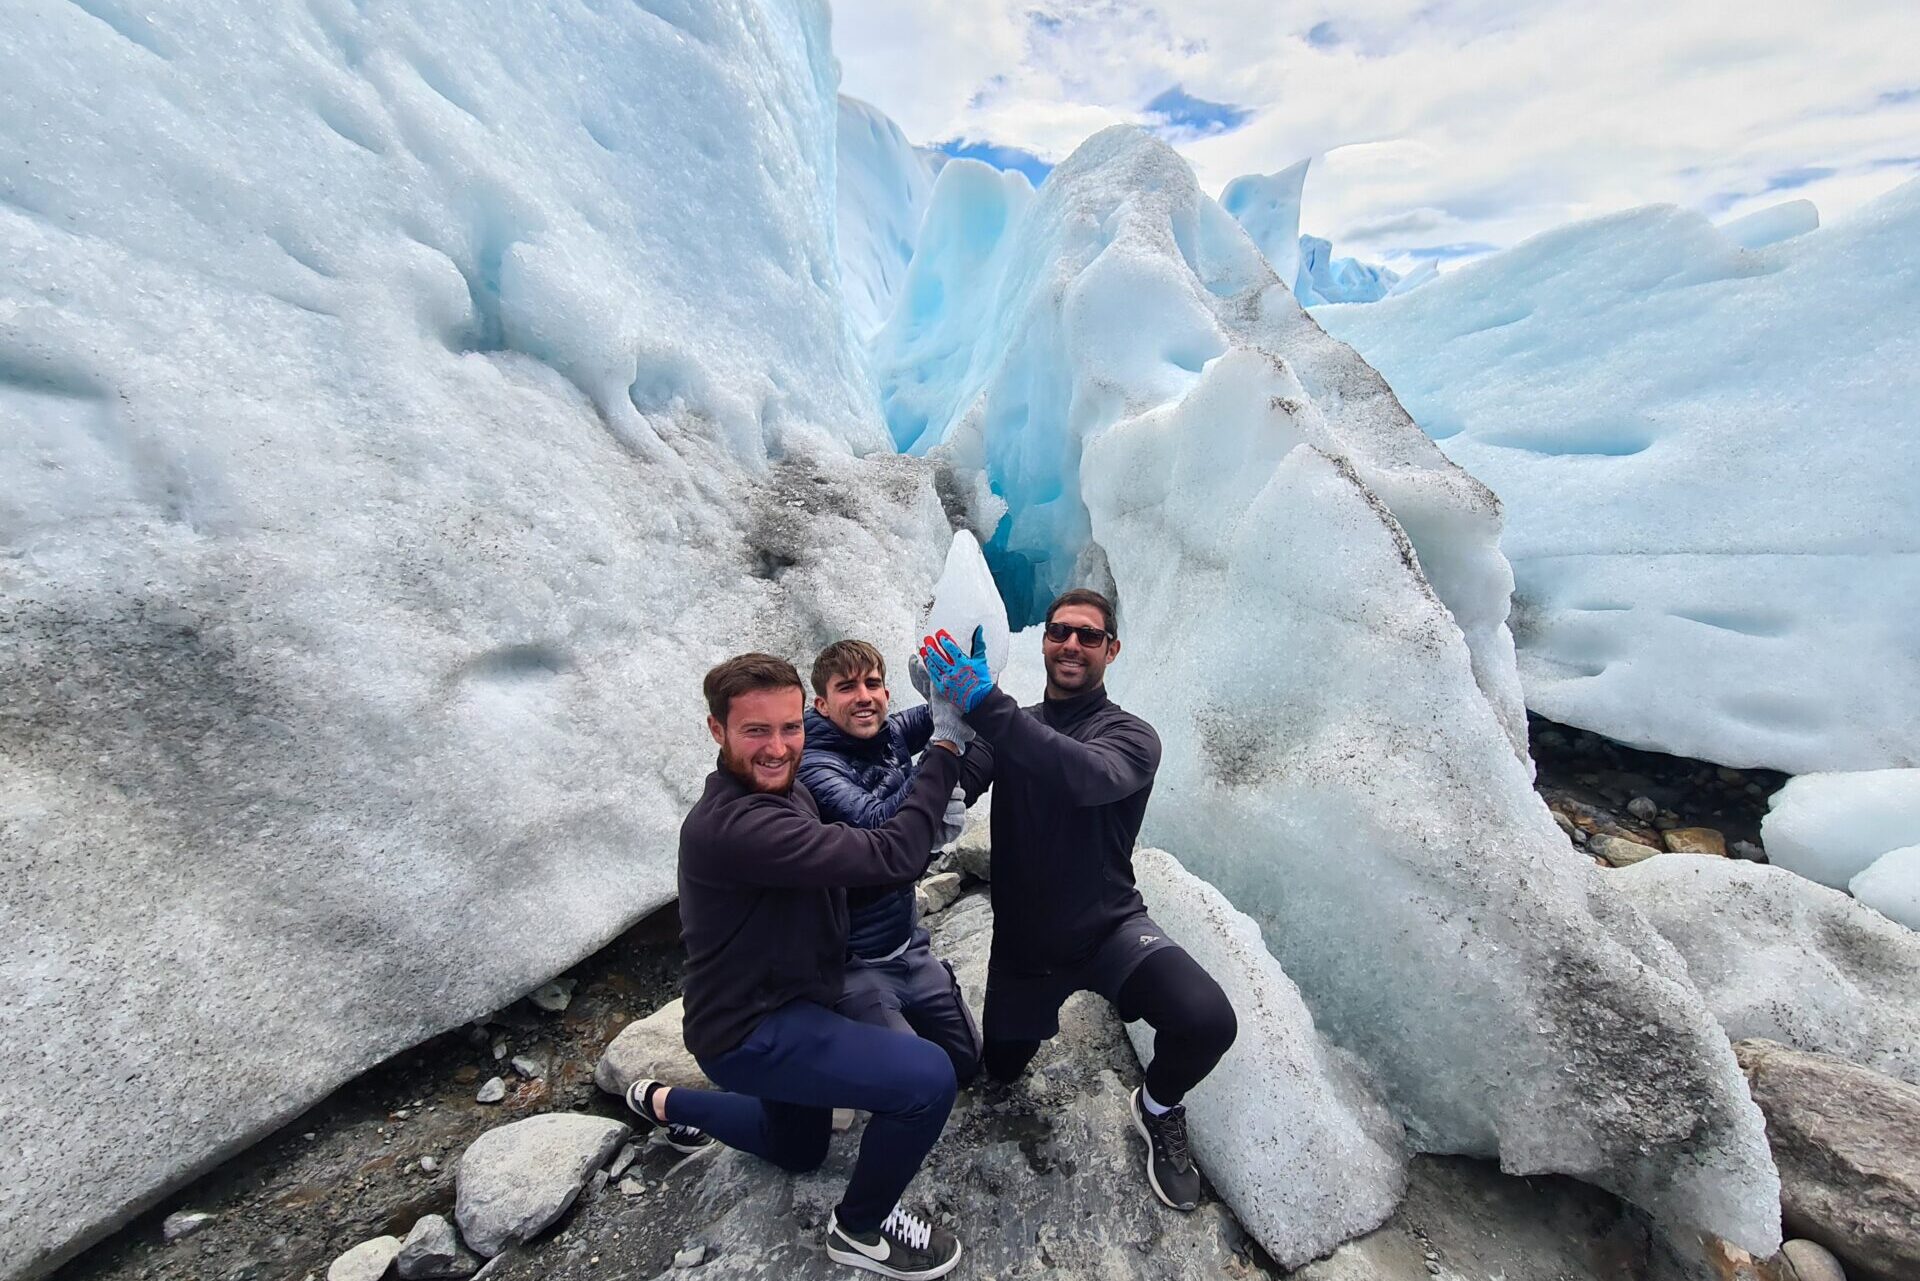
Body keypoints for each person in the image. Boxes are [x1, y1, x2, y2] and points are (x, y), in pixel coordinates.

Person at [626, 652, 973, 1279]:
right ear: (717, 732)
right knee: (927, 1079)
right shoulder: (739, 825)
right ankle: (860, 1229)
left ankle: (668, 1103)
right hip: (753, 1031)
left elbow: (879, 826)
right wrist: (946, 744)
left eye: (790, 728)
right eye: (756, 730)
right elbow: (890, 851)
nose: (778, 747)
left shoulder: (790, 788)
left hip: (773, 1007)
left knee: (798, 1150)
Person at [920, 591, 1238, 1212]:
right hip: (1025, 949)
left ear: (1111, 651)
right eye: (1060, 632)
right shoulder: (1011, 726)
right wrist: (943, 727)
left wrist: (986, 704)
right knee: (1004, 1073)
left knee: (1207, 1021)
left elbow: (1087, 777)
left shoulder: (1130, 736)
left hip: (1112, 931)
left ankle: (1157, 1106)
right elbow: (954, 786)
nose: (1071, 645)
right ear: (1044, 641)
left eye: (1089, 637)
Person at [799, 640, 981, 1084]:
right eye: (847, 687)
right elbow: (881, 827)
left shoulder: (889, 733)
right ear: (822, 704)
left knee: (966, 1064)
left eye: (873, 684)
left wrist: (950, 691)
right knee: (917, 1081)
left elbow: (955, 716)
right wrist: (942, 751)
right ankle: (826, 1048)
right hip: (853, 964)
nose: (864, 696)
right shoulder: (814, 766)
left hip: (908, 944)